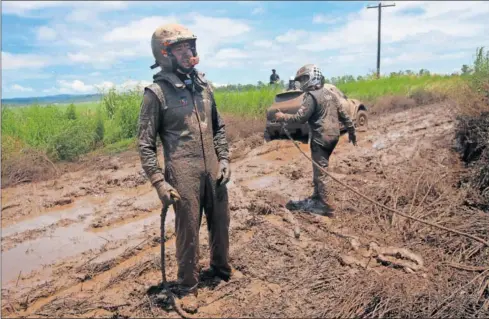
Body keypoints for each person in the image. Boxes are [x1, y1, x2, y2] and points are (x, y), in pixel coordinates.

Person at [137, 23, 232, 313]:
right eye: (180, 48)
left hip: (213, 169)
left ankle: (221, 269)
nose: (188, 52)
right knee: (188, 231)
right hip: (182, 172)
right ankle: (188, 285)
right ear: (165, 54)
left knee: (221, 223)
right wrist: (159, 182)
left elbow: (218, 127)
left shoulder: (204, 86)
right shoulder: (156, 93)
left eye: (190, 47)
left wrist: (224, 158)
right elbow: (144, 143)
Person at [273, 64, 357, 211]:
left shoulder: (311, 96)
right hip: (333, 137)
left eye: (305, 78)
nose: (303, 82)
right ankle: (317, 196)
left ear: (313, 76)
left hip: (320, 138)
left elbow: (300, 118)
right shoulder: (330, 94)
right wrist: (351, 131)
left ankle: (325, 205)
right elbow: (344, 115)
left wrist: (282, 116)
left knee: (321, 172)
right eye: (301, 79)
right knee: (320, 167)